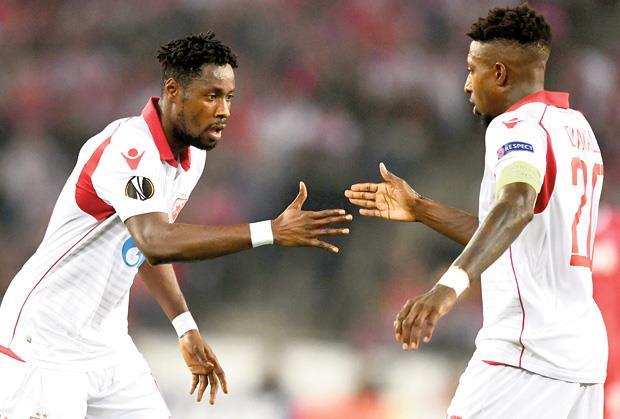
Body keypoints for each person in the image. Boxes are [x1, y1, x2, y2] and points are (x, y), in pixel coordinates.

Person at [0, 32, 352, 418]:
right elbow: (155, 241)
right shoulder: (128, 149)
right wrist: (269, 231)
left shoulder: (192, 156)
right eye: (212, 95)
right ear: (173, 91)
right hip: (44, 342)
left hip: (107, 346)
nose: (224, 110)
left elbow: (140, 249)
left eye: (229, 97)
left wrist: (185, 326)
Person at [345, 5, 606, 418]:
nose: (467, 85)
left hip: (525, 354)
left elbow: (517, 203)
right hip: (582, 359)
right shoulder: (577, 129)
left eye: (472, 70)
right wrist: (420, 208)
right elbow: (512, 235)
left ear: (499, 74)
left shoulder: (515, 127)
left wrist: (447, 287)